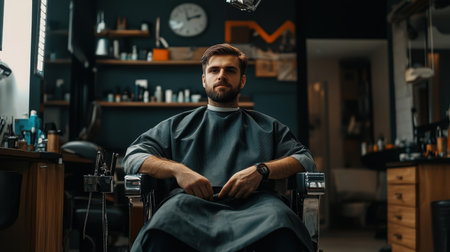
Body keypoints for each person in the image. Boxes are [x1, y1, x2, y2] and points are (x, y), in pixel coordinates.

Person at [123, 43, 317, 252]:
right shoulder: (176, 126)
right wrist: (179, 170)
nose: (221, 75)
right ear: (204, 79)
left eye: (230, 70)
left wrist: (262, 170)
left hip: (258, 208)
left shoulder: (268, 127)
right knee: (160, 233)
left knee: (284, 228)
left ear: (242, 80)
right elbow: (133, 156)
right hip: (187, 205)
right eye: (214, 70)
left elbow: (305, 159)